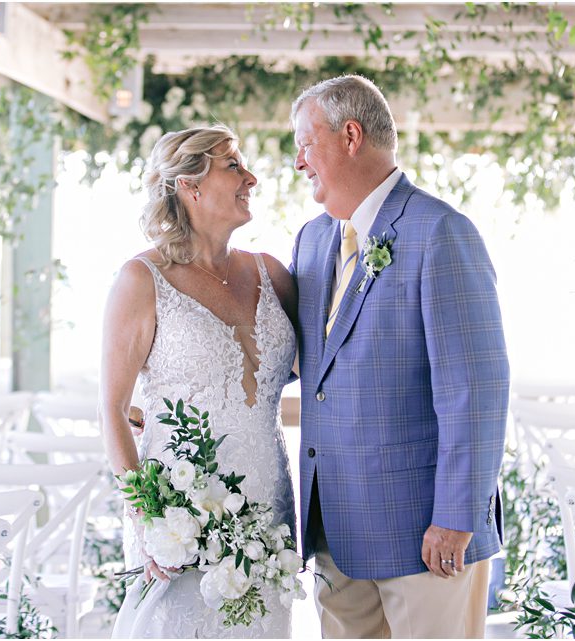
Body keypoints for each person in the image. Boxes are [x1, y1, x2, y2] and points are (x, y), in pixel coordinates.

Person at [289, 75, 510, 638]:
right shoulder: (312, 242)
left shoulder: (441, 233)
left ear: (351, 136)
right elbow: (311, 366)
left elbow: (475, 392)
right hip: (336, 534)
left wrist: (456, 519)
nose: (298, 162)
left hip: (426, 536)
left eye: (306, 143)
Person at [100, 125, 298, 638]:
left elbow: (317, 382)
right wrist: (150, 525)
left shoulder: (273, 274)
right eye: (233, 165)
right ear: (189, 185)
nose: (250, 177)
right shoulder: (142, 280)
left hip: (268, 514)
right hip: (180, 517)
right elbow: (113, 409)